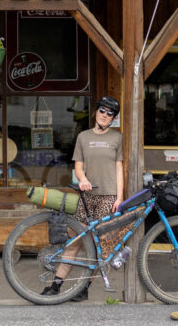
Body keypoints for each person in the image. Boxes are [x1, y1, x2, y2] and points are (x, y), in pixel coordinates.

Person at [41, 95, 124, 302]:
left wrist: (119, 197)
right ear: (96, 112)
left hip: (108, 196)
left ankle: (84, 287)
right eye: (102, 111)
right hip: (87, 197)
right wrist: (83, 179)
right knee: (75, 242)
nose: (105, 115)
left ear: (113, 118)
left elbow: (119, 168)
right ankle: (56, 286)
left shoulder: (117, 138)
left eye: (110, 113)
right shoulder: (83, 137)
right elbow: (78, 166)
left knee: (100, 246)